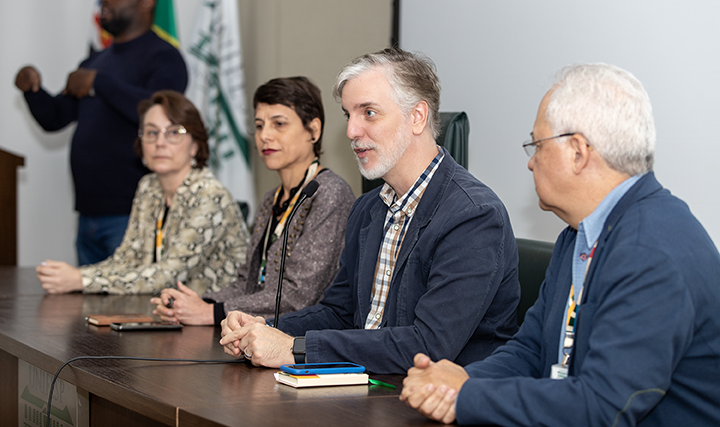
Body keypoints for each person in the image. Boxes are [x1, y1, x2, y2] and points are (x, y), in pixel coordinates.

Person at [400, 63, 720, 426]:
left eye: (537, 145)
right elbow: (532, 349)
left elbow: (602, 406)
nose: (531, 162)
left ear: (579, 152)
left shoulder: (651, 249)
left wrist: (466, 395)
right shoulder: (579, 233)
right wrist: (462, 382)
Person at [219, 48, 519, 374]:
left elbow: (428, 346)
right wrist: (263, 325)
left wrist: (294, 348)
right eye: (349, 115)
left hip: (438, 402)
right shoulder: (368, 209)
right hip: (371, 387)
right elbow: (340, 312)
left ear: (417, 116)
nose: (351, 132)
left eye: (369, 113)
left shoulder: (473, 216)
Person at [15, 0, 188, 266]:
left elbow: (162, 113)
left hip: (134, 213)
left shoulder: (163, 56)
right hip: (87, 215)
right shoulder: (96, 60)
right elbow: (56, 117)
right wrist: (33, 91)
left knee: (130, 311)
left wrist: (99, 84)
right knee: (87, 311)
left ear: (146, 3)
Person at [149, 77, 356, 325]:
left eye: (278, 124)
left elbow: (298, 297)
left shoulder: (329, 193)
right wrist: (198, 303)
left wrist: (210, 313)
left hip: (304, 339)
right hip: (259, 329)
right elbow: (247, 283)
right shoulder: (272, 198)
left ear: (313, 130)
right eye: (259, 126)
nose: (265, 135)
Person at [35, 91, 248, 295]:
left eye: (174, 132)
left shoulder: (209, 194)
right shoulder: (149, 186)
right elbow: (127, 260)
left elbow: (169, 275)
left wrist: (81, 280)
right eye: (152, 132)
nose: (160, 142)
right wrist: (73, 275)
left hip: (219, 322)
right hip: (165, 314)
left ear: (195, 145)